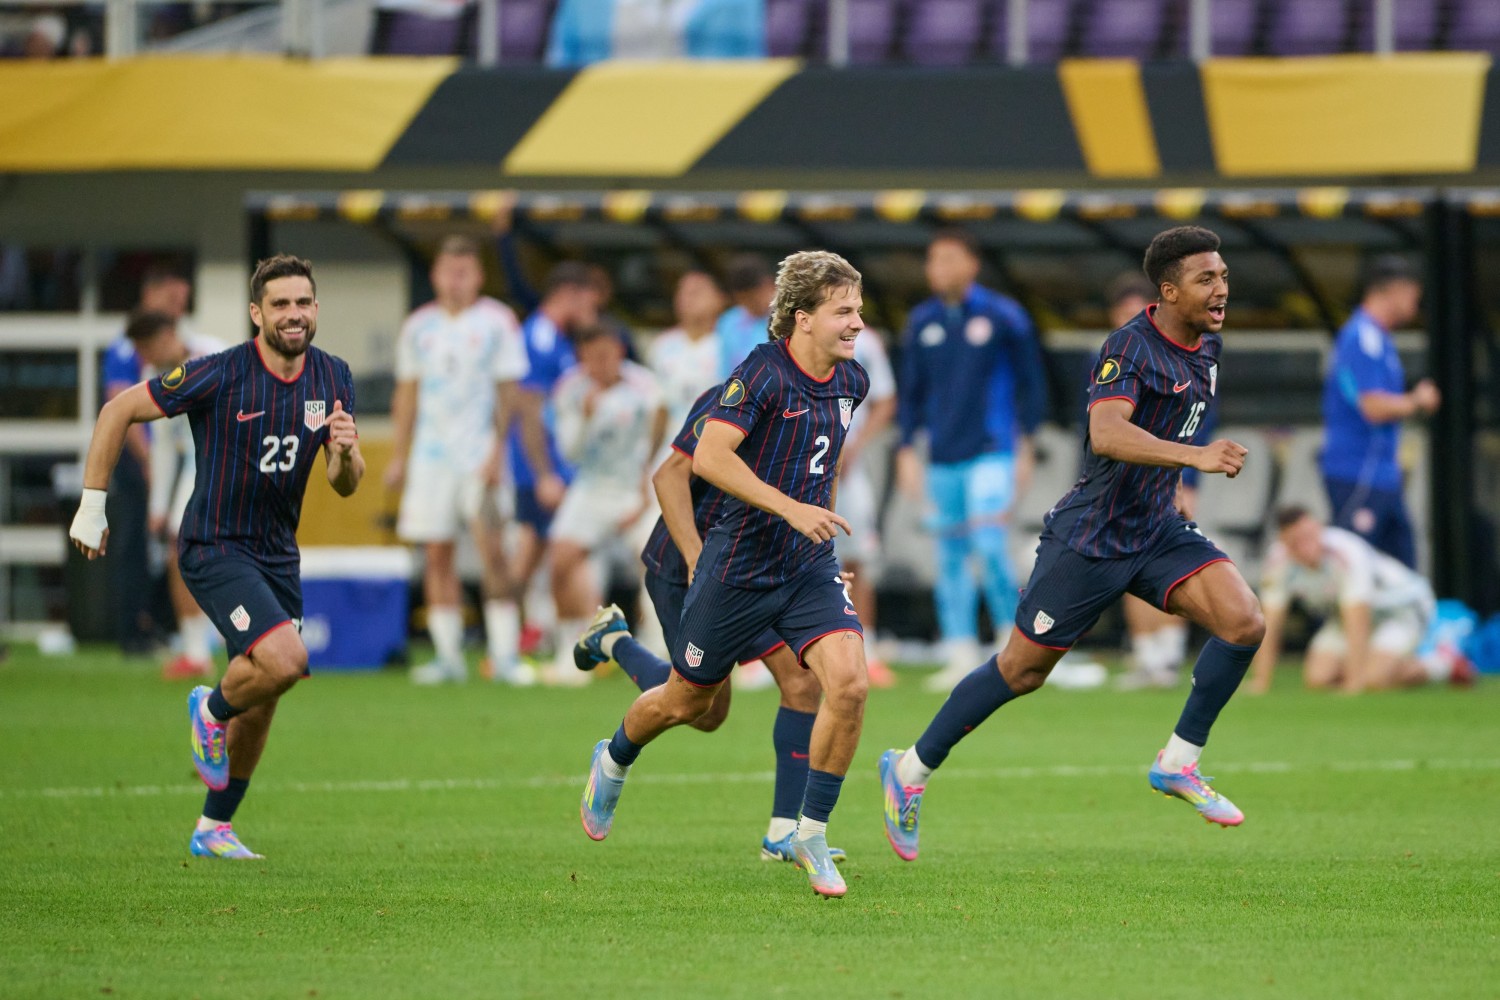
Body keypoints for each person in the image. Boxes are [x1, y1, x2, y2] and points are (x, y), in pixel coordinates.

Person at [879, 226, 1266, 864]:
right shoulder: (1128, 347)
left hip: (1155, 528)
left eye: (1223, 275)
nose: (1221, 288)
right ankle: (909, 770)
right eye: (1206, 278)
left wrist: (1176, 482)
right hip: (1091, 537)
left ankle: (1178, 762)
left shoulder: (1208, 347)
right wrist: (1194, 457)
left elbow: (1172, 423)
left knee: (1244, 620)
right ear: (1169, 291)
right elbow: (1107, 433)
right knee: (1021, 671)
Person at [579, 250, 871, 899]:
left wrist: (819, 531)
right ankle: (615, 748)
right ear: (802, 318)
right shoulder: (752, 381)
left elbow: (821, 463)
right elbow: (687, 469)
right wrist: (698, 556)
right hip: (723, 565)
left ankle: (801, 832)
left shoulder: (853, 380)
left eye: (858, 309)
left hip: (801, 566)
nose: (858, 322)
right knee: (696, 706)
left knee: (839, 684)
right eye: (844, 311)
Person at [69, 254, 364, 860]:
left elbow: (344, 483)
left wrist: (344, 454)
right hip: (214, 546)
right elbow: (117, 410)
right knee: (286, 660)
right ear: (256, 313)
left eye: (302, 302)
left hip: (278, 555)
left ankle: (213, 829)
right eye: (279, 304)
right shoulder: (220, 373)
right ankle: (210, 708)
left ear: (315, 308)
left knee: (267, 695)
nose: (293, 314)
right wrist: (92, 505)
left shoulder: (334, 377)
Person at [572, 381, 850, 863]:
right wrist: (695, 557)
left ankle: (782, 833)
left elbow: (821, 484)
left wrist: (818, 561)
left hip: (762, 568)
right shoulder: (743, 394)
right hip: (689, 568)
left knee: (802, 681)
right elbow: (668, 477)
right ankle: (614, 640)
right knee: (701, 708)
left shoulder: (830, 400)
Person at [894, 228, 1050, 691]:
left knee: (989, 545)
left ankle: (1012, 643)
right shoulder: (922, 321)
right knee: (950, 556)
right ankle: (960, 649)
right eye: (932, 260)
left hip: (993, 451)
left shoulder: (1004, 316)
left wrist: (1027, 445)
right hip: (942, 456)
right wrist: (906, 449)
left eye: (947, 258)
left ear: (972, 264)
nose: (937, 268)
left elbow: (1033, 383)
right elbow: (911, 394)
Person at [385, 235, 543, 687]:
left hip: (479, 454)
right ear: (435, 275)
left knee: (493, 550)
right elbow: (407, 392)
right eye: (448, 271)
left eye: (464, 272)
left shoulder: (497, 321)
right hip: (431, 457)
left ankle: (505, 655)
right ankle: (448, 656)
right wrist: (399, 455)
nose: (455, 280)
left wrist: (498, 450)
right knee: (437, 553)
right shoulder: (419, 327)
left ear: (478, 276)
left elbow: (509, 391)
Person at [1103, 273, 1209, 691]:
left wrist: (1189, 477)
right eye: (1122, 314)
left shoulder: (1180, 356)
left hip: (1169, 476)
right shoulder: (1108, 359)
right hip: (1119, 481)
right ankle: (1147, 657)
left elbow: (1198, 419)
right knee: (1127, 567)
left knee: (1169, 560)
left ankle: (1169, 654)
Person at [547, 327, 667, 682]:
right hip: (591, 487)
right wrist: (585, 418)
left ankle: (658, 647)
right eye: (591, 357)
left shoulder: (645, 386)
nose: (599, 364)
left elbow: (661, 430)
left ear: (619, 351)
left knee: (657, 558)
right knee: (561, 559)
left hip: (636, 486)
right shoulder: (571, 389)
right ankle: (573, 649)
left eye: (606, 354)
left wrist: (646, 486)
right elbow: (569, 452)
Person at [1247, 506, 1472, 693]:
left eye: (1309, 536)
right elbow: (1271, 623)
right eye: (1296, 541)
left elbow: (1358, 618)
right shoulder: (1278, 562)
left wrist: (1354, 683)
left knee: (1373, 680)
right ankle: (1383, 664)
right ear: (1284, 541)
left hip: (1400, 611)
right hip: (1342, 616)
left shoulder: (1346, 553)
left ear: (1318, 528)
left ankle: (1441, 665)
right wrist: (1261, 681)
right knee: (1318, 679)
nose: (1305, 546)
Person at [127, 310, 229, 680]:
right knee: (179, 548)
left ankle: (229, 641)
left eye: (146, 348)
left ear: (167, 336)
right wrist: (158, 505)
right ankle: (197, 650)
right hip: (197, 466)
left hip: (233, 461)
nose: (144, 357)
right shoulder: (152, 376)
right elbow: (165, 446)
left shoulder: (215, 354)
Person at [1320, 255, 1438, 568]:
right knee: (1354, 568)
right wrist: (1417, 400)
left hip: (1383, 475)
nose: (1415, 305)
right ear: (1394, 290)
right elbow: (1372, 407)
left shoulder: (1379, 338)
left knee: (1402, 570)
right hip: (1358, 472)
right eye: (1413, 295)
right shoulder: (1362, 337)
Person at [101, 264, 195, 655]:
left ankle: (188, 636)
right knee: (161, 545)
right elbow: (128, 413)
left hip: (212, 463)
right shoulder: (144, 360)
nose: (178, 308)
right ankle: (179, 640)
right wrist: (153, 483)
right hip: (166, 464)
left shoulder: (204, 351)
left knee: (180, 544)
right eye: (173, 299)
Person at [508, 262, 601, 655]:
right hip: (541, 469)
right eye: (587, 302)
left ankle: (519, 637)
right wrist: (544, 473)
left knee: (539, 553)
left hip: (554, 467)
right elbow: (529, 409)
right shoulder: (541, 336)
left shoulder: (559, 338)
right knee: (556, 551)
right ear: (568, 295)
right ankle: (585, 638)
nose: (591, 311)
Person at [834, 327, 897, 687]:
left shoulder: (866, 343)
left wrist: (856, 445)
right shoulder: (796, 340)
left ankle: (865, 648)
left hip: (850, 471)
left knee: (857, 556)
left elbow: (885, 399)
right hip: (801, 469)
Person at [648, 270, 728, 434]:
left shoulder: (729, 345)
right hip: (672, 442)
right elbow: (659, 406)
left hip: (714, 440)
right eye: (681, 291)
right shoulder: (663, 346)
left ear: (719, 299)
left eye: (696, 291)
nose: (686, 297)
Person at [714, 253, 776, 377]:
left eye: (753, 298)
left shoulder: (792, 319)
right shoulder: (728, 322)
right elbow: (725, 373)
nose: (750, 305)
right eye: (744, 300)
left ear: (769, 285)